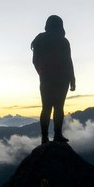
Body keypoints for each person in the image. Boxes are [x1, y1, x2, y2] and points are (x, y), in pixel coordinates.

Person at [31, 15, 76, 144]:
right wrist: (72, 78)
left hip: (47, 79)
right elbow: (68, 61)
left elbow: (35, 60)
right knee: (58, 107)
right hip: (62, 79)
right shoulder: (63, 41)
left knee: (47, 108)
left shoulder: (40, 40)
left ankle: (45, 137)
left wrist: (42, 73)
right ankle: (56, 135)